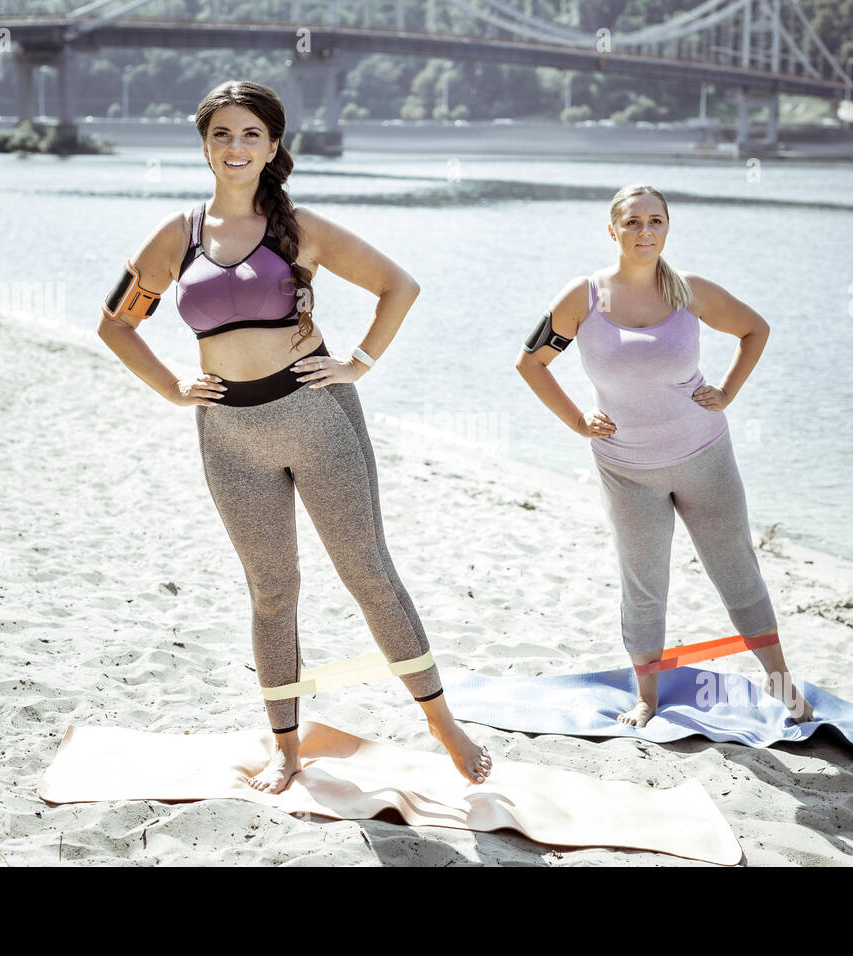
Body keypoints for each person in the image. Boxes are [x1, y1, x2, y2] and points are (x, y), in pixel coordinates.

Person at [97, 80, 492, 794]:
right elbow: (116, 324)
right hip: (228, 436)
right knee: (272, 590)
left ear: (273, 146)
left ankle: (442, 723)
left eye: (251, 134)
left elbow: (398, 286)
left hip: (315, 419)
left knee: (369, 575)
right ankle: (287, 747)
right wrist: (170, 385)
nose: (236, 147)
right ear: (204, 146)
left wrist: (358, 365)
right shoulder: (175, 236)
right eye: (222, 134)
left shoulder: (299, 227)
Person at [514, 184, 815, 728]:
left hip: (705, 455)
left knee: (737, 571)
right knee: (644, 582)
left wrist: (727, 392)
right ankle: (646, 699)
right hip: (626, 469)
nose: (644, 232)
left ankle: (784, 687)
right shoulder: (580, 298)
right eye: (632, 223)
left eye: (656, 221)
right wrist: (578, 421)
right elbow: (531, 364)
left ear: (668, 228)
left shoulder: (689, 291)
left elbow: (755, 329)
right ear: (612, 230)